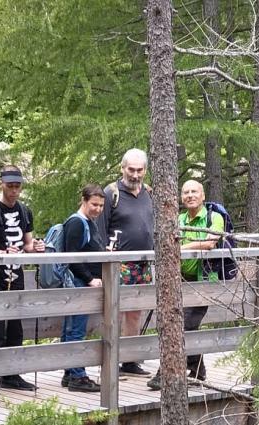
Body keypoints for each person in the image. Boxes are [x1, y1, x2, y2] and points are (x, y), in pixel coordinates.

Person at [149, 179, 226, 391]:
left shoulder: (214, 217)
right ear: (181, 198)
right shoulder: (178, 219)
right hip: (180, 281)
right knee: (183, 324)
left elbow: (211, 242)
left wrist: (183, 246)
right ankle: (198, 370)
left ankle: (165, 373)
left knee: (185, 325)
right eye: (186, 192)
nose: (190, 195)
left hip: (204, 282)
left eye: (194, 191)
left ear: (203, 196)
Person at [0, 165, 42, 396]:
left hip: (17, 275)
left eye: (17, 186)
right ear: (0, 183)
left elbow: (28, 245)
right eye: (10, 186)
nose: (14, 190)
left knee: (15, 329)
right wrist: (2, 254)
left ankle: (11, 375)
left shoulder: (25, 211)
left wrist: (37, 248)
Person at [98, 148, 153, 377]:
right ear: (123, 168)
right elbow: (100, 229)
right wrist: (102, 261)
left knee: (135, 313)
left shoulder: (149, 192)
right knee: (114, 311)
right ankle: (111, 360)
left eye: (140, 170)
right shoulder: (111, 193)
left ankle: (130, 360)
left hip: (144, 263)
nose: (135, 175)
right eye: (131, 170)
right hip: (118, 263)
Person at [58, 184, 106, 393]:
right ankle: (77, 376)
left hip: (83, 282)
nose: (98, 209)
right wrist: (89, 279)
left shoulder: (89, 222)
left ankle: (70, 373)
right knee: (75, 329)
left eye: (101, 206)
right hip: (78, 283)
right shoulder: (77, 223)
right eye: (94, 204)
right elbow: (72, 256)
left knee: (72, 328)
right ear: (84, 201)